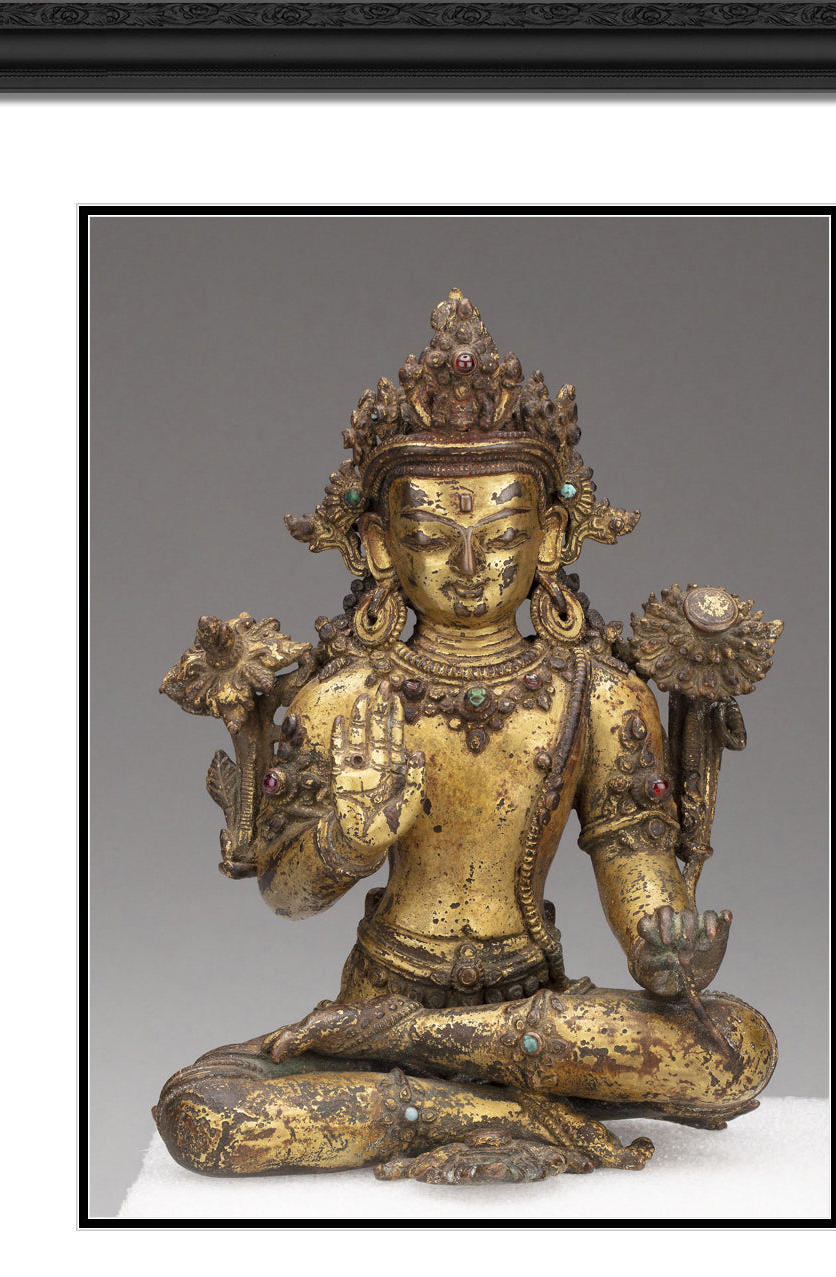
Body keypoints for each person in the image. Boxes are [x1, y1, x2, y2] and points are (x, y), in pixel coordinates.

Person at [155, 290, 781, 1184]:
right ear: (380, 546)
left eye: (500, 537)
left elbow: (632, 855)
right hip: (379, 993)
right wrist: (347, 840)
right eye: (432, 538)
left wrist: (661, 943)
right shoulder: (343, 699)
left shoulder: (599, 694)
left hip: (531, 1015)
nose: (467, 565)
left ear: (551, 537)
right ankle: (502, 1110)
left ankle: (422, 1066)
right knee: (204, 1115)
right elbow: (285, 894)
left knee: (739, 1047)